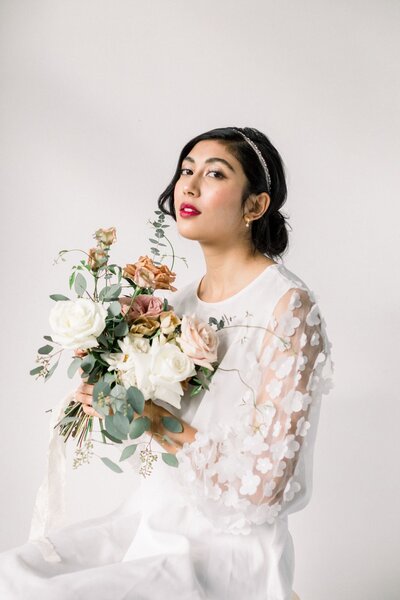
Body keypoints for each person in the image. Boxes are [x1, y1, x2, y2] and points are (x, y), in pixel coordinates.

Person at [0, 126, 334, 599]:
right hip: (151, 520)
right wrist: (110, 400)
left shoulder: (287, 307)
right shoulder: (175, 308)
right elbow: (151, 433)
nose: (189, 187)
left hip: (228, 549)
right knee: (12, 574)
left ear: (255, 206)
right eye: (185, 171)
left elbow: (266, 489)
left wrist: (151, 418)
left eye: (214, 173)